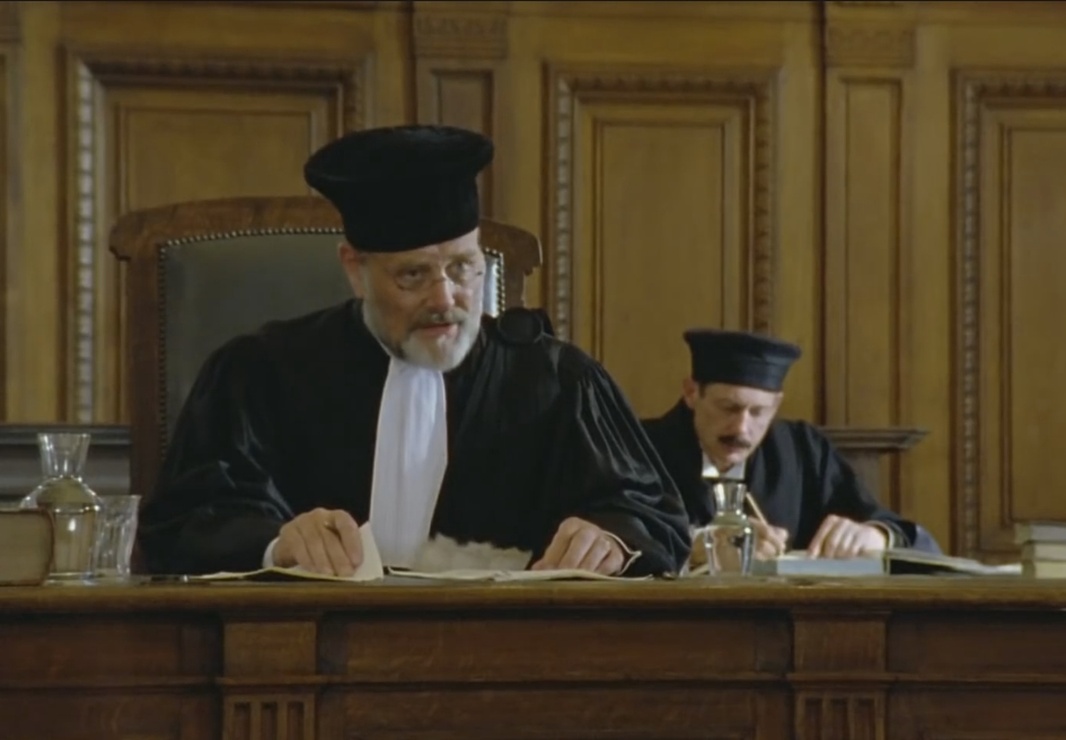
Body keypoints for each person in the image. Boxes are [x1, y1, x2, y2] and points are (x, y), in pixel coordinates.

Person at [138, 124, 691, 579]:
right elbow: (181, 525)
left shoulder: (559, 383)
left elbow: (652, 517)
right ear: (355, 269)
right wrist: (275, 543)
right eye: (413, 275)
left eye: (463, 268)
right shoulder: (260, 374)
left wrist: (611, 539)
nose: (445, 299)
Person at [642, 329, 940, 562]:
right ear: (692, 393)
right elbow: (620, 540)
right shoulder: (638, 448)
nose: (741, 429)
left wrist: (876, 536)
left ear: (776, 405)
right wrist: (691, 546)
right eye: (728, 408)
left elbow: (900, 533)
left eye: (758, 412)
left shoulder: (802, 450)